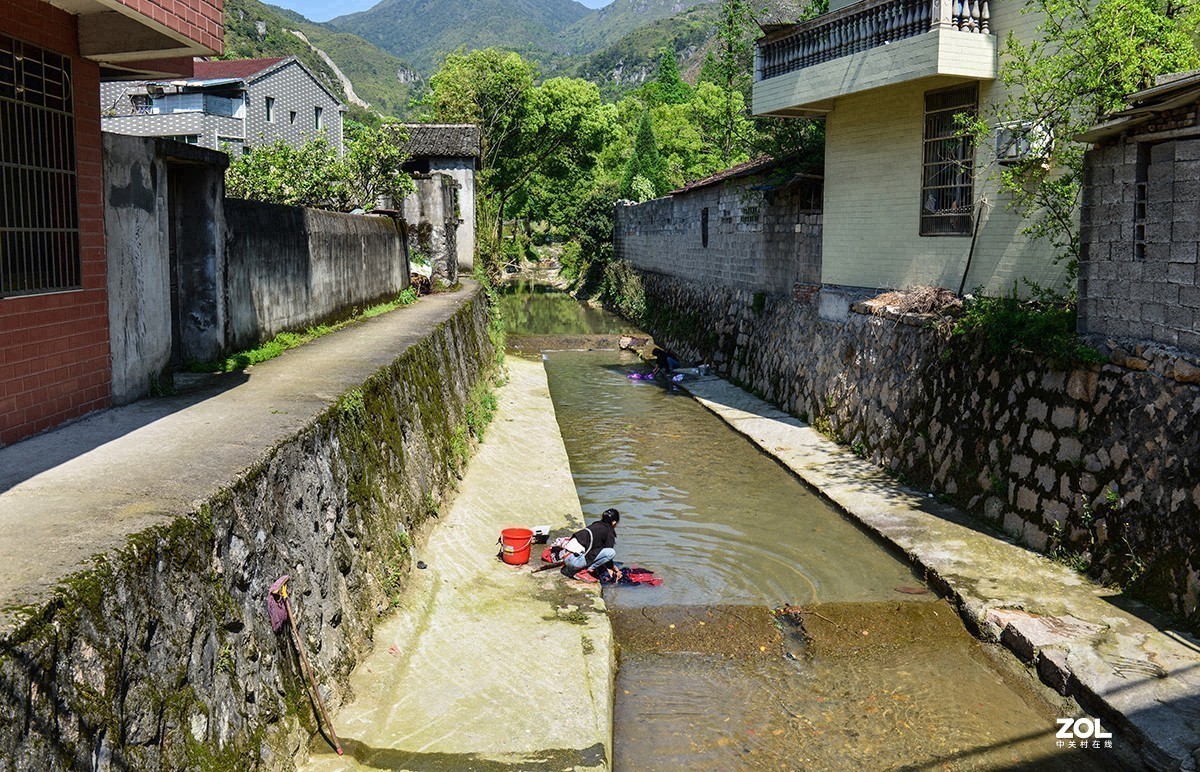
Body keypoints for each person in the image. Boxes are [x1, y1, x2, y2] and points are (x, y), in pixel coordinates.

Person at [562, 509, 621, 582]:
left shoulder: (595, 525)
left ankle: (578, 568)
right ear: (614, 522)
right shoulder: (608, 532)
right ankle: (585, 571)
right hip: (574, 562)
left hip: (565, 557)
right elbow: (608, 558)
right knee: (611, 552)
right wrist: (615, 570)